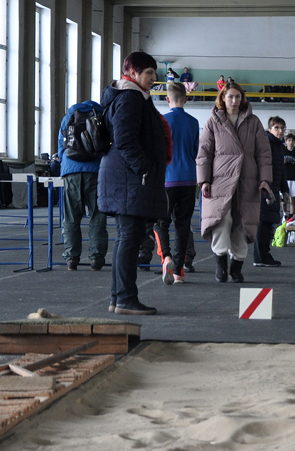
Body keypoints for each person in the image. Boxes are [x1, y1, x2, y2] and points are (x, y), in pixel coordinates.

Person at [99, 51, 167, 316]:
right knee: (129, 237)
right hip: (129, 179)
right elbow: (125, 139)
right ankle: (125, 299)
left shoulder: (131, 96)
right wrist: (145, 169)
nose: (153, 78)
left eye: (154, 73)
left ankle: (119, 298)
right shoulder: (131, 98)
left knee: (128, 237)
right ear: (132, 73)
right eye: (148, 72)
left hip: (125, 178)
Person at [197, 80, 273, 283]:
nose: (234, 100)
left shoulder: (254, 122)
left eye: (237, 96)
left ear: (242, 98)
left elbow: (264, 154)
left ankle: (236, 266)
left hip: (247, 180)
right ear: (222, 98)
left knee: (243, 222)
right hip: (219, 180)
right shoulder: (213, 121)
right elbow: (204, 153)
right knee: (221, 220)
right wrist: (204, 181)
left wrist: (265, 179)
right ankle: (220, 264)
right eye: (230, 96)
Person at [152, 83, 199, 284]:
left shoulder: (161, 121)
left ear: (167, 99)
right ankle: (179, 272)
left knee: (160, 222)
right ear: (186, 99)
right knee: (183, 225)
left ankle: (166, 257)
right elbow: (196, 151)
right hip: (189, 179)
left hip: (167, 180)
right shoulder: (194, 122)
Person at [57, 100, 109, 272]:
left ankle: (71, 257)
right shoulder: (102, 117)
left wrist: (65, 165)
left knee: (71, 217)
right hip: (96, 171)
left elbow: (61, 146)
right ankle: (96, 258)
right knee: (97, 216)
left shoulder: (68, 118)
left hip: (71, 171)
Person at [252, 116, 287, 268]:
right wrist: (264, 185)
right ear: (269, 129)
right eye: (277, 128)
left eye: (282, 128)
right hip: (265, 188)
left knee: (269, 222)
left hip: (274, 187)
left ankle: (264, 254)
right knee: (263, 222)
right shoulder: (266, 144)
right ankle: (260, 256)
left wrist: (284, 189)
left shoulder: (279, 147)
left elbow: (280, 170)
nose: (280, 131)